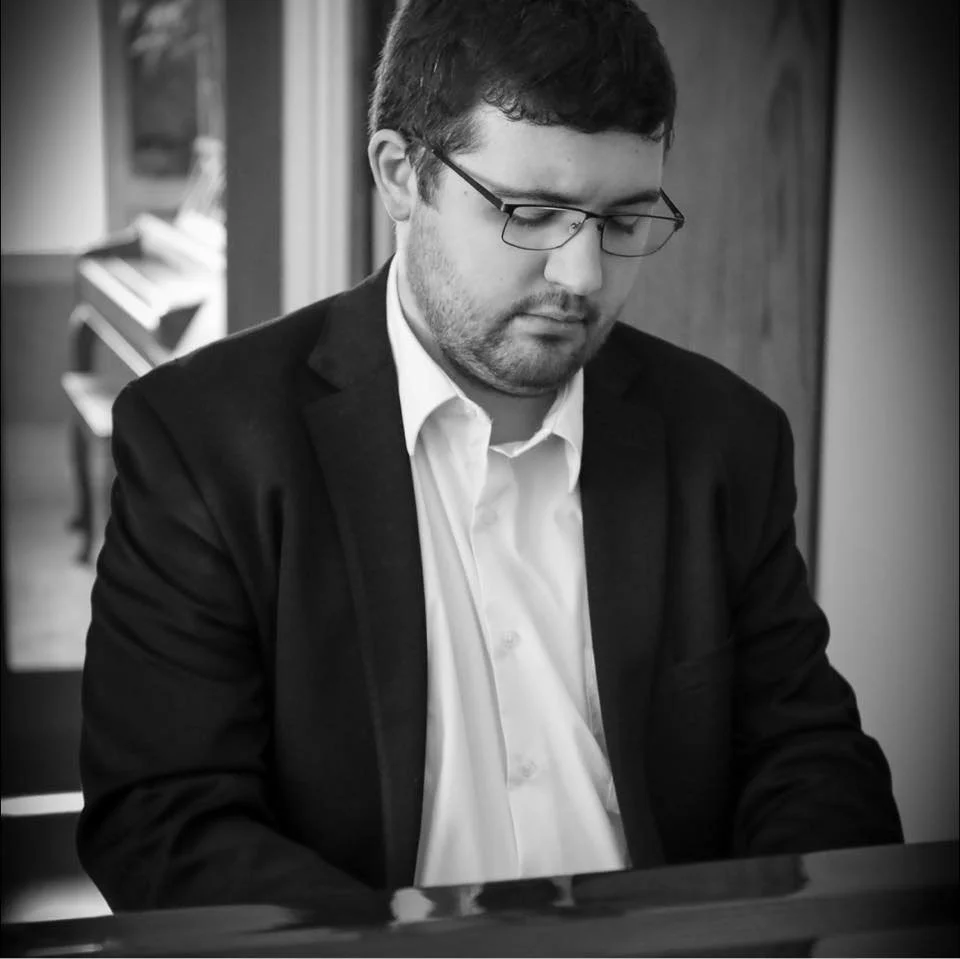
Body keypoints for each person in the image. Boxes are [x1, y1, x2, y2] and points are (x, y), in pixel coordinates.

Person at [77, 0, 902, 918]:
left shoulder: (728, 438)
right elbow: (165, 822)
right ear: (401, 174)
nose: (583, 275)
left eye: (626, 219)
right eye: (534, 212)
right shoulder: (204, 441)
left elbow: (811, 761)